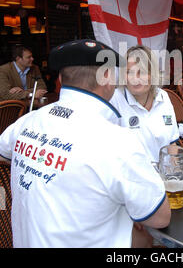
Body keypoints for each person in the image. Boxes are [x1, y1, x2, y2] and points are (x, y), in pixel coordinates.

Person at [0, 39, 170, 248]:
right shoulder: (119, 142)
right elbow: (160, 218)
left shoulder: (25, 122)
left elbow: (3, 154)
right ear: (107, 77)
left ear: (61, 79)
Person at [110, 45, 179, 163]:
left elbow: (172, 144)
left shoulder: (163, 97)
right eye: (129, 72)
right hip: (131, 178)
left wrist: (174, 173)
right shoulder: (114, 99)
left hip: (162, 175)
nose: (134, 79)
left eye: (141, 72)